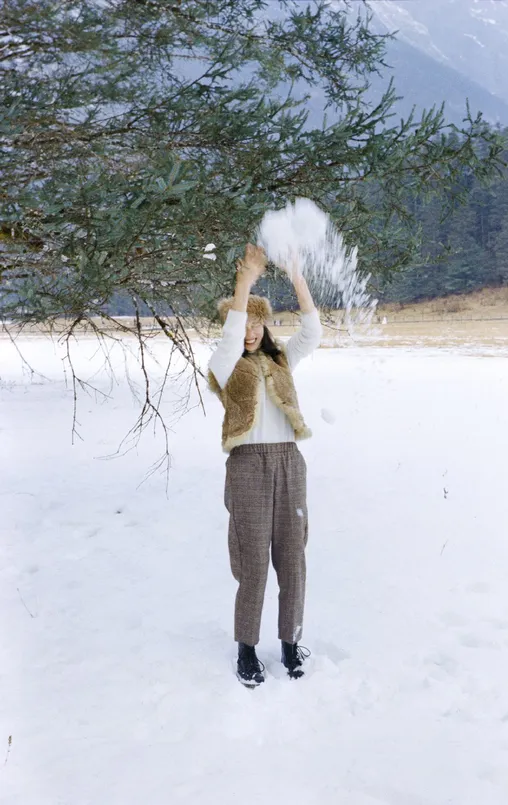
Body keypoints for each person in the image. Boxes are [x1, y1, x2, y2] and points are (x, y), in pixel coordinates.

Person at [208, 243, 322, 686]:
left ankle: (291, 645)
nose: (251, 331)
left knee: (293, 560)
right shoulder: (224, 365)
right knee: (253, 563)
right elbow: (232, 337)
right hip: (248, 466)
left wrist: (297, 277)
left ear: (266, 325)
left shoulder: (280, 362)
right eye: (245, 323)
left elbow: (312, 333)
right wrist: (244, 284)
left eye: (258, 323)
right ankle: (246, 649)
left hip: (290, 463)